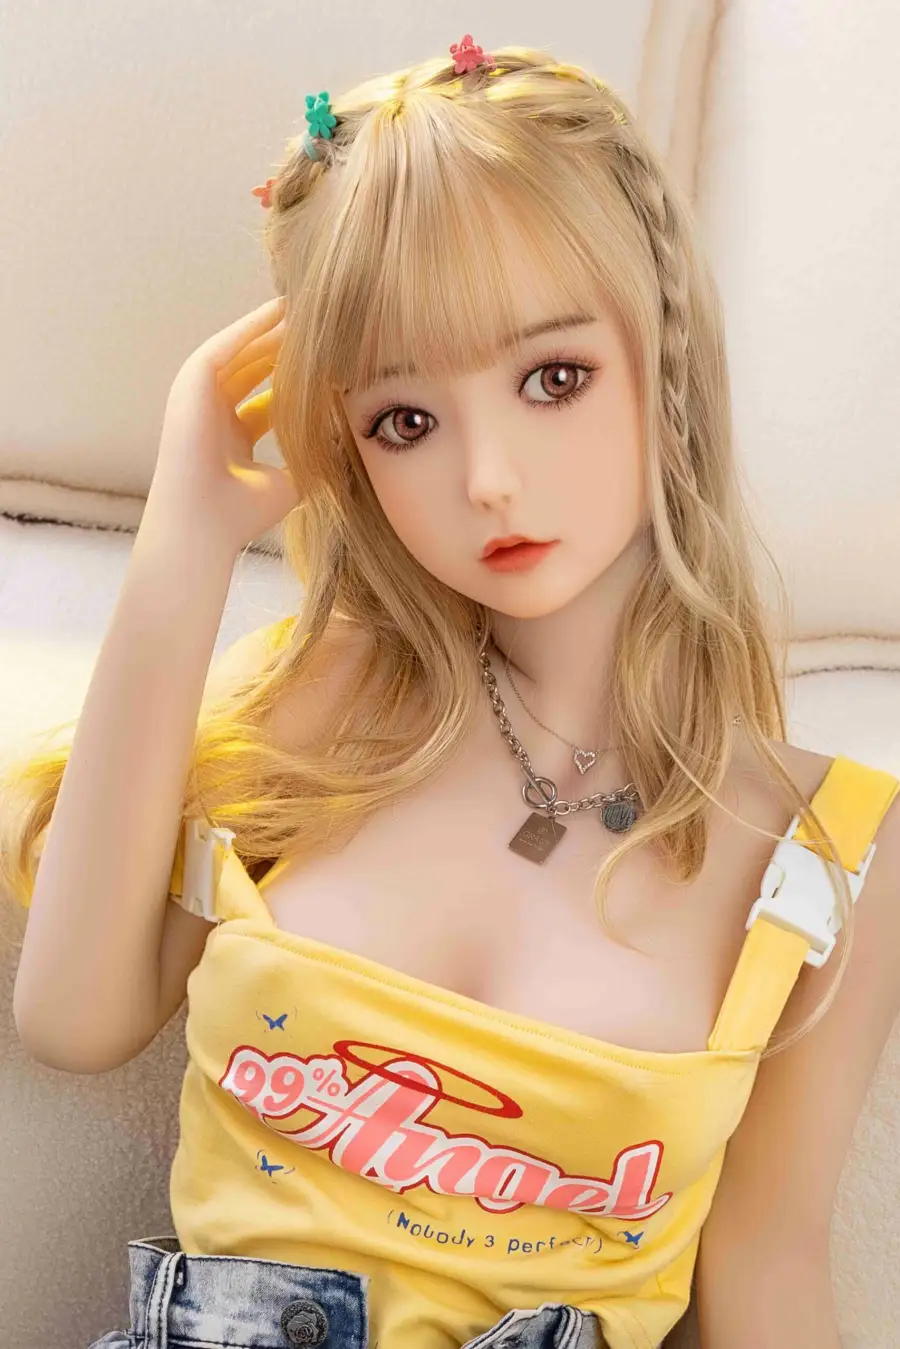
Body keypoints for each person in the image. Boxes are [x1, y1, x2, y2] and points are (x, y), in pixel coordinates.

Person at [4, 32, 900, 1349]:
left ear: (666, 357)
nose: (487, 479)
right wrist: (186, 540)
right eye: (404, 421)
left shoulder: (822, 855)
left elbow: (768, 1270)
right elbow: (75, 1017)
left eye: (554, 379)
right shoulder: (330, 704)